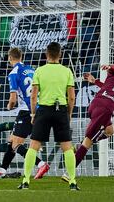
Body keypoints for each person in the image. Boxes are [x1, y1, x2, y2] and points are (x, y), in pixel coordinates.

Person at [61, 58, 114, 182]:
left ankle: (80, 146)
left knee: (110, 130)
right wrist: (110, 69)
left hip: (96, 103)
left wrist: (104, 72)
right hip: (106, 109)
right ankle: (69, 172)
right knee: (88, 143)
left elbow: (112, 74)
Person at [19, 42, 79, 191]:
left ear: (46, 55)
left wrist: (33, 113)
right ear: (60, 55)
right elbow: (71, 97)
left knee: (33, 146)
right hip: (61, 110)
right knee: (67, 147)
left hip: (44, 110)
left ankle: (26, 180)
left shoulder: (39, 70)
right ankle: (72, 181)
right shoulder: (67, 71)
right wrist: (69, 114)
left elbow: (33, 96)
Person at [0, 48, 49, 178]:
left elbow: (13, 99)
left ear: (9, 58)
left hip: (26, 111)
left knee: (15, 144)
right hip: (40, 108)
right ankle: (3, 169)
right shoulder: (32, 69)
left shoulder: (13, 73)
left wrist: (9, 106)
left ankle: (41, 164)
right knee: (12, 140)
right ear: (21, 56)